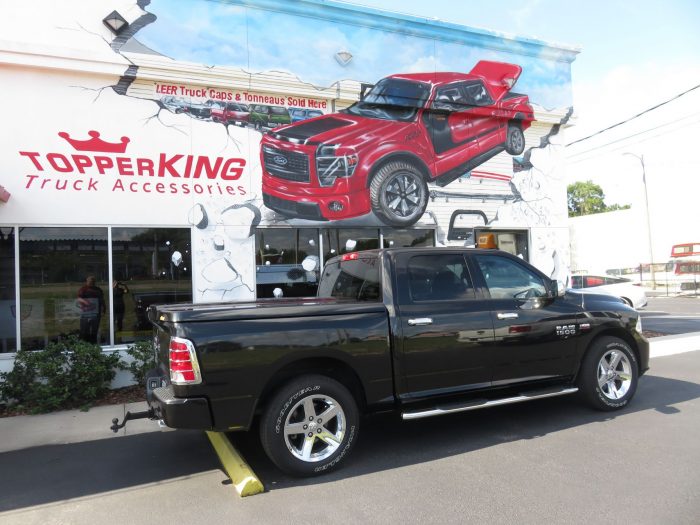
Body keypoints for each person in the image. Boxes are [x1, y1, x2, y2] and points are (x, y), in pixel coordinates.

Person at [77, 276, 105, 343]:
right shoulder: (83, 289)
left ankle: (93, 342)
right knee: (84, 329)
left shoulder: (98, 290)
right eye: (89, 281)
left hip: (96, 313)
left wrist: (103, 308)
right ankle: (84, 343)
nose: (91, 283)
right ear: (87, 281)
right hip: (86, 313)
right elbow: (79, 299)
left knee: (94, 329)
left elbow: (102, 300)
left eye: (92, 281)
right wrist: (85, 302)